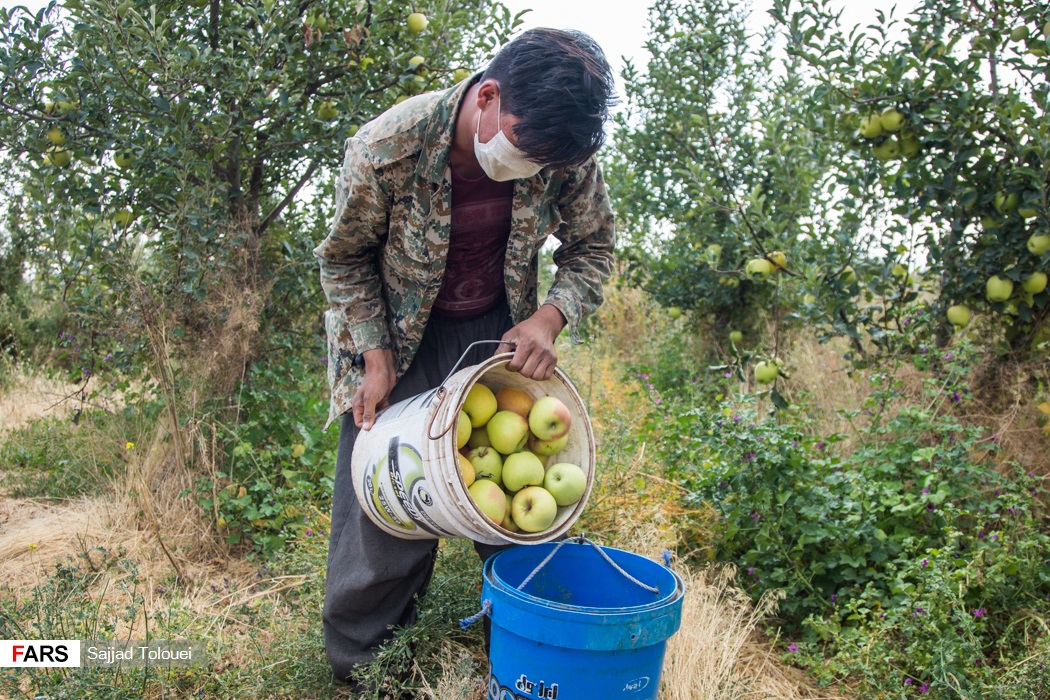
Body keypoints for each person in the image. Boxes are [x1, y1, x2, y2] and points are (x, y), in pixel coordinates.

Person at [313, 27, 617, 687]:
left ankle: (521, 654)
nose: (533, 170)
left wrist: (549, 315)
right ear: (487, 97)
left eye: (545, 162)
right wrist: (374, 355)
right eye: (526, 151)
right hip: (398, 341)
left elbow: (594, 248)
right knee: (386, 506)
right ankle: (366, 673)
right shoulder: (387, 149)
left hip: (497, 335)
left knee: (518, 507)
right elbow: (343, 260)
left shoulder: (562, 151)